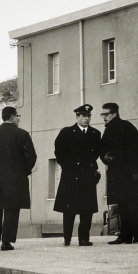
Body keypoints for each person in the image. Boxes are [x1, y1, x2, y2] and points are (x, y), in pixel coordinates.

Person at [0, 107, 37, 251]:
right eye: (18, 116)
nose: (19, 119)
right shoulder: (22, 134)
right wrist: (23, 171)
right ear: (12, 117)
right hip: (15, 178)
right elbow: (31, 156)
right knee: (12, 209)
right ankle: (6, 241)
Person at [99, 103, 138, 244]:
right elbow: (102, 149)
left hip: (130, 175)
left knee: (133, 206)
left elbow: (135, 152)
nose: (103, 117)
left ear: (114, 114)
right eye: (102, 114)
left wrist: (135, 173)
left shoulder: (127, 128)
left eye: (106, 114)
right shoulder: (108, 130)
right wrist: (104, 157)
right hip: (117, 174)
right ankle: (125, 235)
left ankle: (137, 235)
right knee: (122, 206)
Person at [53, 104, 102, 246]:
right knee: (69, 210)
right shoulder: (67, 133)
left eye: (89, 116)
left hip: (87, 175)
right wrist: (68, 167)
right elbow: (59, 152)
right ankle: (67, 238)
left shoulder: (95, 134)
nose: (87, 119)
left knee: (87, 209)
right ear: (77, 117)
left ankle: (84, 238)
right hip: (71, 176)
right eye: (84, 116)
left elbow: (96, 153)